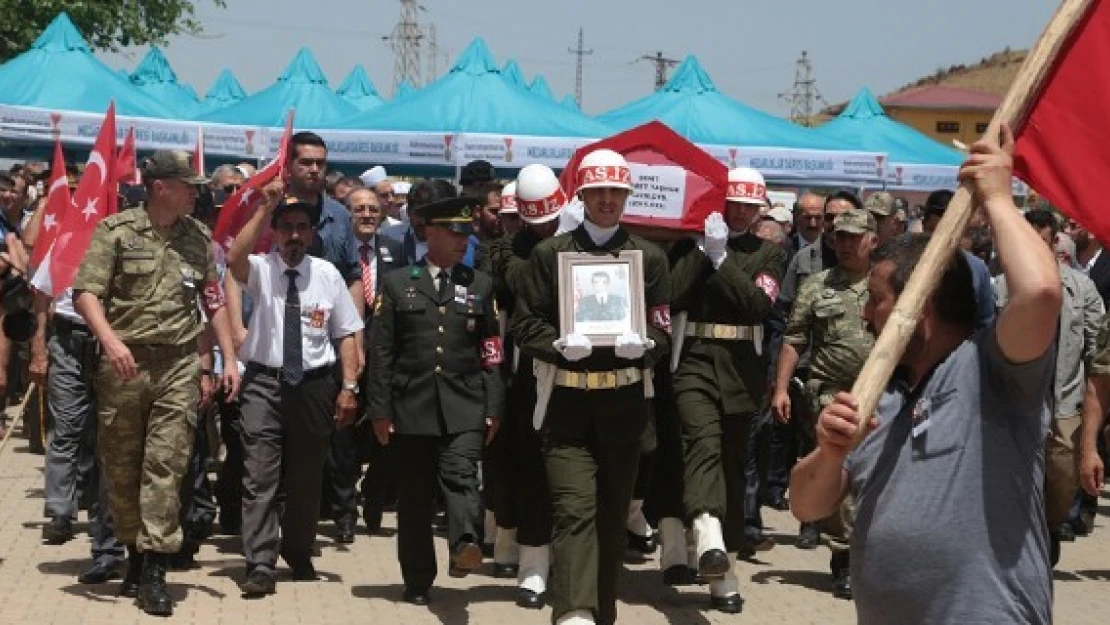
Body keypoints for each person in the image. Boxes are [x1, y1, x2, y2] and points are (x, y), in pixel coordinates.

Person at [790, 125, 1059, 625]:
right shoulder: (876, 397)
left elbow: (1041, 293)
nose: (865, 315)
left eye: (876, 300)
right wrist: (829, 455)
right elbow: (805, 505)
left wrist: (999, 198)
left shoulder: (993, 370)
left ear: (921, 307)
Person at [73, 150, 241, 616]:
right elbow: (86, 292)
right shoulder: (116, 232)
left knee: (166, 465)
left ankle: (155, 570)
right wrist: (110, 342)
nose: (197, 192)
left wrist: (227, 359)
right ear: (160, 187)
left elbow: (213, 300)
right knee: (123, 469)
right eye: (188, 185)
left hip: (177, 365)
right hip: (124, 366)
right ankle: (132, 554)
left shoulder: (198, 238)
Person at [512, 148, 671, 625]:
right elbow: (524, 324)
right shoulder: (549, 255)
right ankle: (573, 614)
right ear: (580, 196)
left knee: (608, 521)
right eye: (597, 191)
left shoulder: (649, 257)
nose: (607, 200)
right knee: (574, 512)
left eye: (616, 192)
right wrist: (559, 345)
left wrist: (642, 346)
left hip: (623, 407)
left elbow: (663, 330)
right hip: (567, 404)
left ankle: (600, 613)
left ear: (627, 197)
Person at [367, 186, 504, 607]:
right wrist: (379, 410)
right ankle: (418, 578)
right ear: (431, 233)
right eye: (455, 232)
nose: (465, 240)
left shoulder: (480, 285)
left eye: (468, 232)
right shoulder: (397, 285)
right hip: (412, 407)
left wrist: (494, 405)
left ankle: (465, 543)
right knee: (414, 498)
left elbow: (491, 352)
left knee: (462, 475)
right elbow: (382, 353)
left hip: (465, 403)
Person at [228, 187, 362, 597]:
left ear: (311, 234)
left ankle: (299, 551)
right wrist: (265, 206)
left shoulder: (327, 274)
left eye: (302, 228)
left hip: (315, 385)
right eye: (286, 228)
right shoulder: (261, 268)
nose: (294, 236)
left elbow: (346, 333)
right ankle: (260, 562)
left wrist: (350, 387)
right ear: (274, 232)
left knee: (306, 476)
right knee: (260, 473)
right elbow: (233, 263)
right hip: (264, 383)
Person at [669, 166, 785, 613]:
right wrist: (701, 253)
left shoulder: (768, 253)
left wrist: (722, 259)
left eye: (749, 206)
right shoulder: (691, 245)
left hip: (742, 370)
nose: (739, 213)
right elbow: (674, 294)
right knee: (703, 445)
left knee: (735, 469)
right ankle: (706, 533)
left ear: (759, 211)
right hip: (695, 359)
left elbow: (758, 305)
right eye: (734, 203)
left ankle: (725, 571)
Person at [771, 208, 878, 599]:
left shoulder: (890, 283)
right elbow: (794, 339)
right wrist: (781, 388)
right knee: (839, 469)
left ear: (872, 240)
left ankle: (872, 552)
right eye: (840, 237)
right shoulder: (818, 286)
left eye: (854, 236)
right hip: (831, 393)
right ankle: (843, 557)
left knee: (876, 474)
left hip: (883, 394)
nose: (846, 244)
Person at [996, 209, 1103, 555]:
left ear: (1055, 241)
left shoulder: (1080, 287)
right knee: (1014, 471)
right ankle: (1021, 538)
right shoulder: (1001, 286)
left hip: (1065, 398)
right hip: (1015, 396)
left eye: (1042, 241)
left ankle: (1051, 525)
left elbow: (1095, 344)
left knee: (1060, 473)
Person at [489, 164, 566, 608]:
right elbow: (520, 282)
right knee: (532, 470)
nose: (543, 230)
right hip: (530, 373)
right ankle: (532, 566)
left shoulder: (585, 237)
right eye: (533, 223)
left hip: (590, 372)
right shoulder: (508, 249)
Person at [30, 243, 124, 584]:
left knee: (108, 441)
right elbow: (42, 294)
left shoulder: (124, 241)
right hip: (68, 339)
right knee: (65, 429)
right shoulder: (68, 240)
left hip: (113, 342)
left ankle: (107, 535)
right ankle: (59, 512)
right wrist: (39, 346)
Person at [342, 186, 404, 535]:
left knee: (385, 429)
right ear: (347, 213)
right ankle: (346, 508)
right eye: (359, 209)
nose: (366, 214)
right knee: (346, 433)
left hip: (384, 353)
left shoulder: (394, 248)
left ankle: (376, 492)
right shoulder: (338, 250)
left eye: (372, 208)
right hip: (347, 350)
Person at [920, 189, 996, 330]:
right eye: (932, 231)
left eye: (946, 233)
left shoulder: (976, 269)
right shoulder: (905, 260)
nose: (938, 241)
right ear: (924, 226)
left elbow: (985, 324)